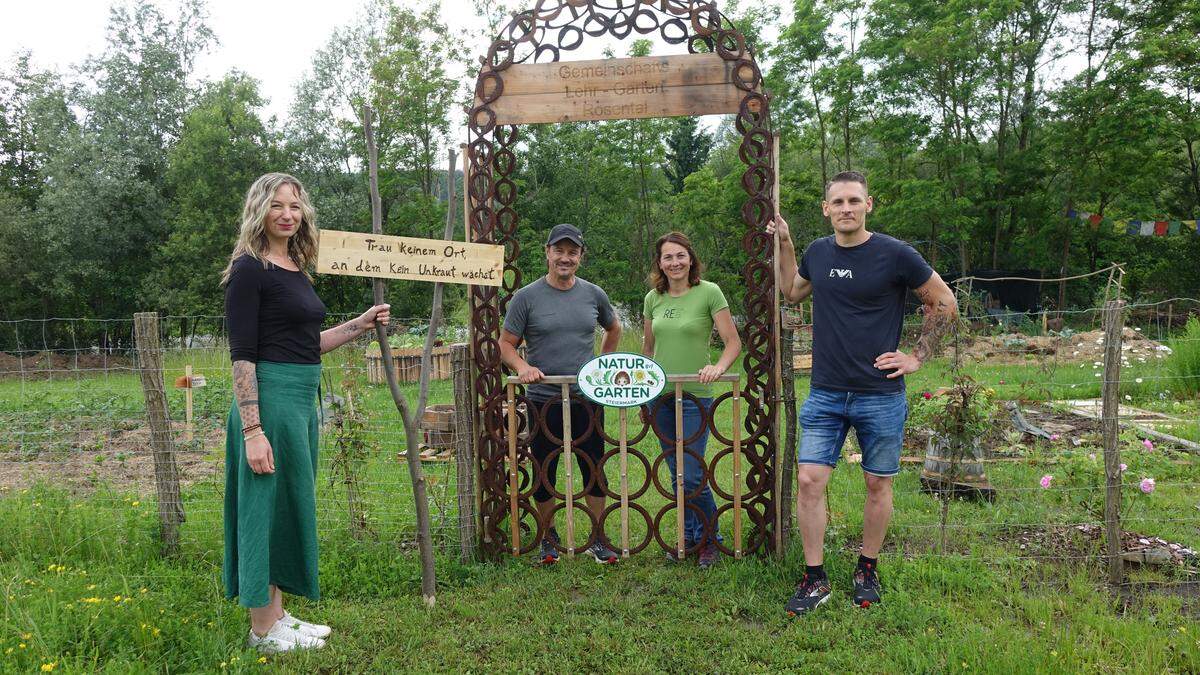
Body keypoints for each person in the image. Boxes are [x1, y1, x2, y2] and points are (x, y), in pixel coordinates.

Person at [768, 171, 957, 615]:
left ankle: (866, 568)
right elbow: (793, 292)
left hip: (880, 393)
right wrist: (786, 244)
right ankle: (815, 578)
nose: (846, 208)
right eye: (838, 202)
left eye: (854, 200)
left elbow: (945, 302)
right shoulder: (818, 252)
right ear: (826, 209)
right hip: (826, 393)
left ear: (868, 205)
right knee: (810, 481)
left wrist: (916, 357)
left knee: (877, 482)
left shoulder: (895, 254)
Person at [222, 172, 390, 652]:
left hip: (299, 400)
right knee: (261, 508)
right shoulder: (249, 268)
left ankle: (276, 617)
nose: (287, 215)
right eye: (277, 206)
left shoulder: (294, 267)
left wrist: (357, 325)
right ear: (259, 209)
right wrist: (253, 428)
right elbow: (243, 355)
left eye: (294, 206)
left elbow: (305, 345)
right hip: (269, 403)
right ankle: (261, 629)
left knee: (285, 506)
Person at [500, 223, 623, 565]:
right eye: (559, 251)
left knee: (593, 467)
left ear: (580, 257)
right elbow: (505, 345)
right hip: (543, 397)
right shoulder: (526, 297)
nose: (565, 258)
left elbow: (614, 328)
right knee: (545, 469)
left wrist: (601, 365)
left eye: (572, 252)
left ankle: (599, 537)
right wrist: (522, 368)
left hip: (586, 397)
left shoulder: (593, 294)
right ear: (547, 253)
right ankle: (547, 537)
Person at [641, 232, 741, 568]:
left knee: (694, 473)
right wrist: (644, 394)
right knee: (676, 472)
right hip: (661, 398)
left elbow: (732, 342)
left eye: (680, 256)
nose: (675, 263)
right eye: (667, 257)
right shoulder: (652, 299)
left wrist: (718, 366)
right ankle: (689, 536)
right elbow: (648, 350)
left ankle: (711, 539)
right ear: (660, 263)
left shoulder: (709, 292)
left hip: (694, 397)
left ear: (691, 258)